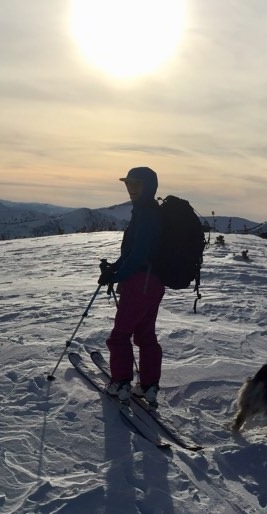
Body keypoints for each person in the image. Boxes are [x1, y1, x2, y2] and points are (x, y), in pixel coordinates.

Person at [98, 166, 165, 405]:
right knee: (145, 335)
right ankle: (148, 386)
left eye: (136, 184)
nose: (131, 189)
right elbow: (133, 251)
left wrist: (116, 276)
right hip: (154, 283)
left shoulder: (146, 214)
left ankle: (121, 383)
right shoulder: (148, 211)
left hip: (140, 284)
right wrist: (115, 268)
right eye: (128, 184)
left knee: (120, 335)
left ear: (149, 187)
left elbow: (138, 254)